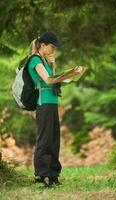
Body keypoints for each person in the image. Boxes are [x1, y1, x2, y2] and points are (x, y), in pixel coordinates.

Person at [28, 32, 83, 188]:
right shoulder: (35, 60)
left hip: (52, 102)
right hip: (43, 103)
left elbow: (52, 80)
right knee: (44, 140)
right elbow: (49, 80)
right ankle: (42, 175)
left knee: (54, 140)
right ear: (43, 45)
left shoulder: (45, 61)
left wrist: (53, 66)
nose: (54, 50)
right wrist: (70, 73)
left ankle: (53, 175)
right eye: (52, 47)